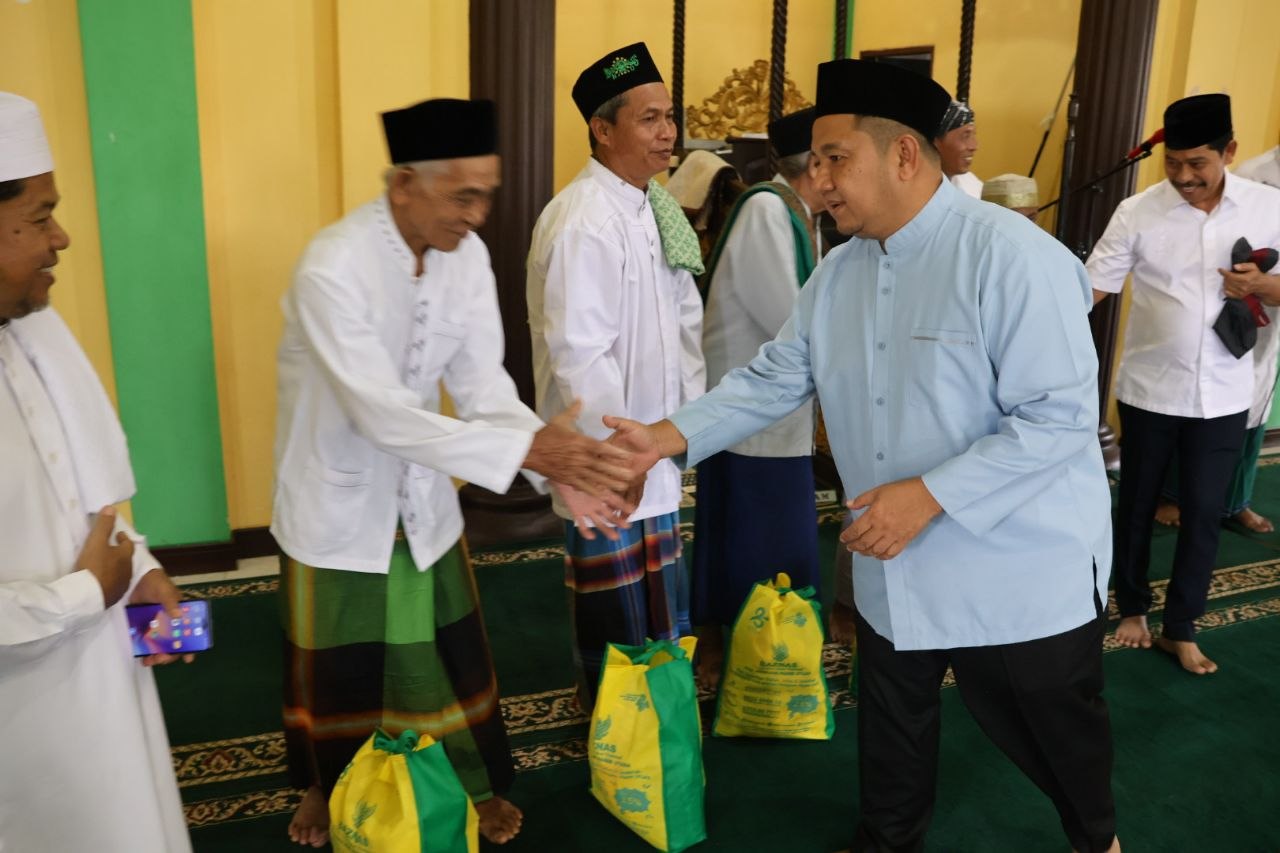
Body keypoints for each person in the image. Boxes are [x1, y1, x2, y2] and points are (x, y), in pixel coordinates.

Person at [606, 59, 1119, 853]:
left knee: (1057, 731)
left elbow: (1058, 419)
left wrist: (930, 494)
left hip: (1016, 563)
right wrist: (664, 437)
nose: (818, 181)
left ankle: (1098, 841)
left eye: (835, 158)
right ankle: (887, 840)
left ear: (904, 155)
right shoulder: (839, 273)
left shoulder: (1013, 257)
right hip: (892, 551)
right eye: (815, 161)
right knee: (892, 722)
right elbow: (777, 376)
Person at [274, 97, 639, 848]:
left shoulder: (465, 257)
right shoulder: (332, 265)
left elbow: (482, 388)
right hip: (337, 495)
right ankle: (325, 785)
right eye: (462, 196)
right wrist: (531, 453)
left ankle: (465, 783)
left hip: (423, 494)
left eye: (486, 195)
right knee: (336, 667)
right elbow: (379, 416)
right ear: (404, 183)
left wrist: (554, 464)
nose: (478, 215)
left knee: (433, 654)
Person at [0, 92, 192, 853]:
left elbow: (76, 492)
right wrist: (87, 593)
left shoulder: (28, 330)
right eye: (41, 216)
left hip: (98, 666)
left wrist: (136, 566)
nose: (62, 238)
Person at [526, 42, 706, 710]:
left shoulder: (652, 206)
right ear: (603, 130)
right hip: (609, 462)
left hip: (650, 450)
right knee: (617, 622)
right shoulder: (583, 220)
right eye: (650, 119)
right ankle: (617, 730)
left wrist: (683, 428)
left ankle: (656, 720)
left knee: (657, 612)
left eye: (670, 117)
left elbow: (685, 322)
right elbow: (580, 355)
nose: (668, 133)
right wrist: (615, 461)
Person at [1087, 94, 1280, 675]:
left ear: (1229, 151)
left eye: (1197, 163)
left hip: (1225, 392)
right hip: (1150, 390)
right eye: (1173, 163)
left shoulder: (1268, 206)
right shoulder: (1137, 211)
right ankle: (1132, 608)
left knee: (1203, 511)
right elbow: (1094, 286)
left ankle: (1182, 627)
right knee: (1137, 505)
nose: (1184, 176)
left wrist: (1261, 287)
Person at [693, 107, 824, 685]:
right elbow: (789, 321)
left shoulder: (796, 211)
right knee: (758, 535)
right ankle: (754, 661)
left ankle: (749, 654)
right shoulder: (769, 211)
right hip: (751, 412)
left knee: (746, 530)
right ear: (815, 166)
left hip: (766, 413)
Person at [934, 99, 981, 198]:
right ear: (935, 141)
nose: (974, 146)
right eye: (966, 136)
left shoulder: (970, 184)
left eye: (973, 135)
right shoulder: (911, 191)